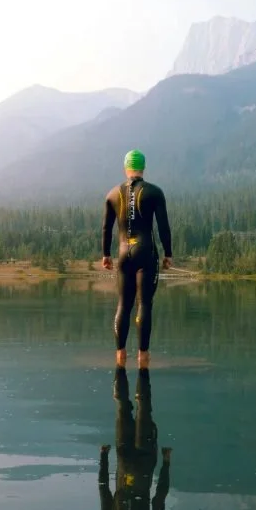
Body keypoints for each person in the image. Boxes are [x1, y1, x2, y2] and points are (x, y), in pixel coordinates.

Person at [102, 149, 172, 369]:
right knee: (145, 304)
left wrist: (105, 254)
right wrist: (168, 253)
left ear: (126, 168)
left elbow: (106, 228)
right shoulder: (154, 192)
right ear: (143, 167)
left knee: (123, 304)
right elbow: (163, 227)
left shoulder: (112, 194)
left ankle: (120, 356)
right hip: (146, 253)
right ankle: (143, 358)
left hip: (123, 254)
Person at [98, 367, 171, 510]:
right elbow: (103, 488)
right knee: (123, 408)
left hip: (143, 461)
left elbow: (160, 496)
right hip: (125, 462)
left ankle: (141, 368)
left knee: (143, 409)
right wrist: (103, 457)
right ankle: (127, 367)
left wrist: (166, 463)